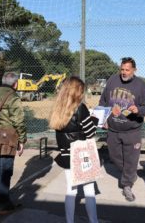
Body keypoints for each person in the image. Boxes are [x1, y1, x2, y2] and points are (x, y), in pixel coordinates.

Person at [99, 57, 145, 202]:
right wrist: (103, 119)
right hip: (113, 130)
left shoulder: (141, 85)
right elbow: (103, 101)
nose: (124, 72)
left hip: (132, 131)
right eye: (122, 69)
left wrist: (138, 110)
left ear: (134, 70)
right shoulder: (112, 80)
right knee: (115, 157)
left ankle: (127, 185)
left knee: (131, 159)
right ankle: (130, 173)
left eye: (127, 70)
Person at [50, 76, 99, 223]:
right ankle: (93, 221)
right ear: (77, 91)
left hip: (66, 155)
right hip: (82, 154)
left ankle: (69, 221)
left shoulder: (58, 108)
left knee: (71, 190)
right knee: (89, 191)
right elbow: (90, 133)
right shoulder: (81, 108)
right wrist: (95, 119)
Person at [0, 72, 27, 215]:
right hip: (8, 139)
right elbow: (18, 121)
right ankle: (4, 205)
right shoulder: (13, 98)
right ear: (15, 84)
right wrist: (22, 140)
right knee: (6, 171)